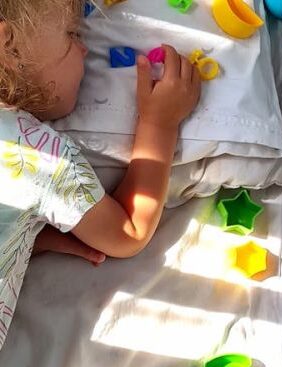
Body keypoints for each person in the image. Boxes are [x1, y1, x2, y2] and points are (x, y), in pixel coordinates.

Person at [0, 0, 201, 347]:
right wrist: (159, 123)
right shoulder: (33, 154)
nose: (83, 48)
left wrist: (23, 237)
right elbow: (128, 231)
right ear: (8, 44)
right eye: (71, 33)